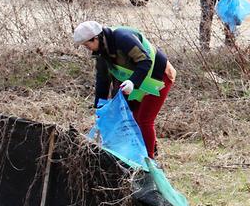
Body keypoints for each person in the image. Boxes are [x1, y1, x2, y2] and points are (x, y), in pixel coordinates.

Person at [73, 21, 176, 159]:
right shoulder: (101, 52)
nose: (88, 49)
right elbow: (103, 80)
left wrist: (133, 83)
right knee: (132, 117)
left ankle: (150, 162)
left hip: (158, 75)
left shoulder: (122, 38)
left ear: (96, 38)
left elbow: (145, 61)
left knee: (144, 119)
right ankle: (150, 149)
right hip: (138, 78)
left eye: (87, 45)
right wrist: (100, 107)